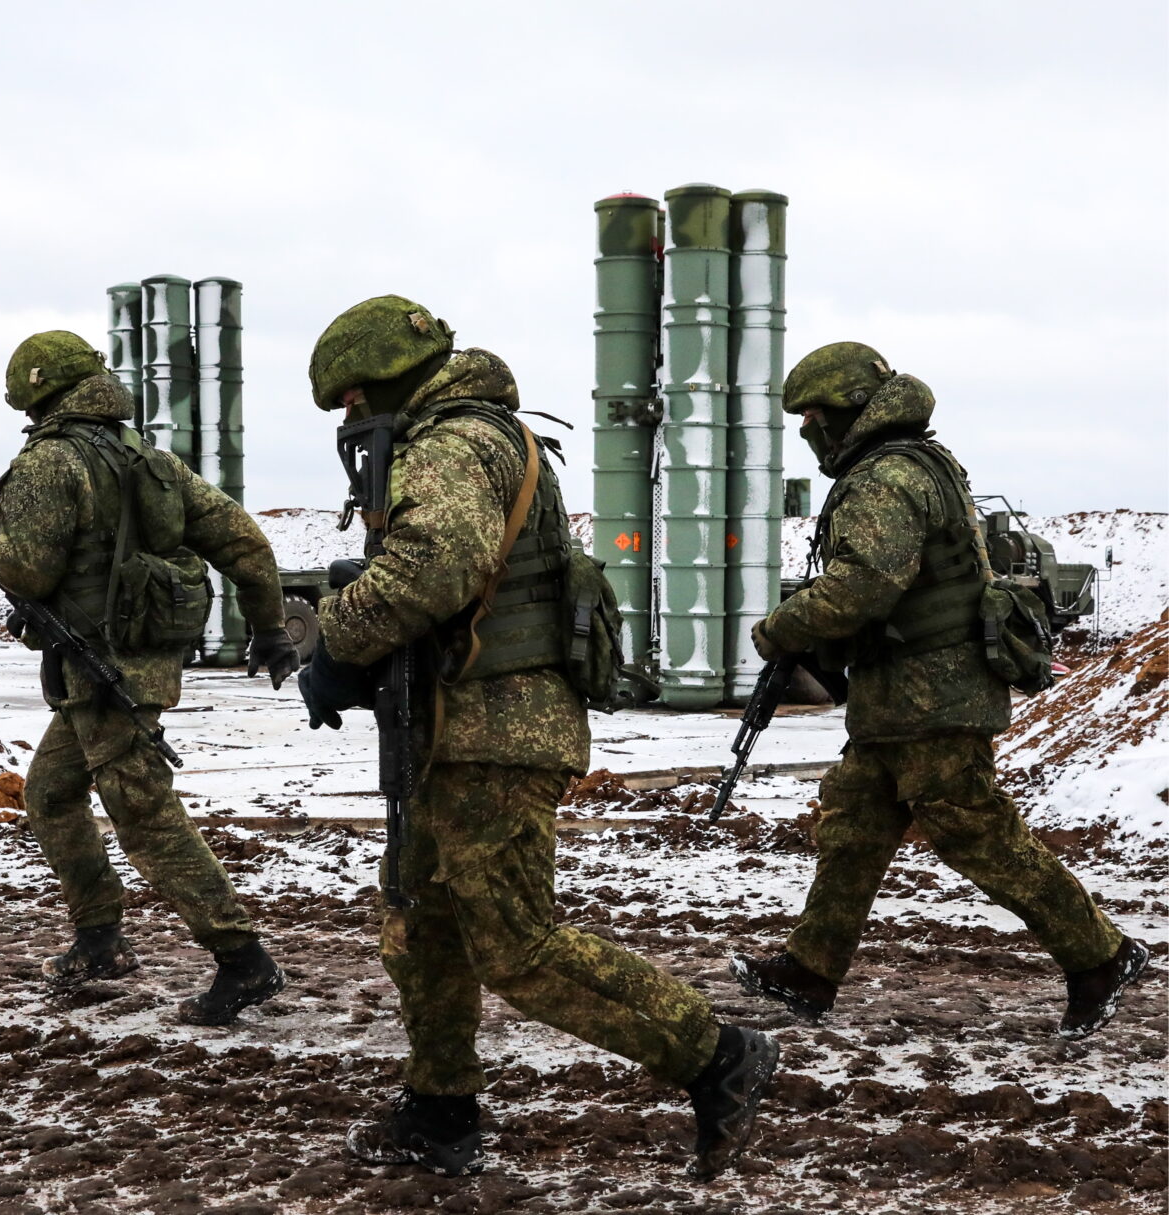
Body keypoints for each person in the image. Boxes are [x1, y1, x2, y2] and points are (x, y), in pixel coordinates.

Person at [297, 296, 776, 1180]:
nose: (354, 422)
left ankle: (716, 1055)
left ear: (388, 384)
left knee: (517, 944)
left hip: (497, 733)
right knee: (421, 923)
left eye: (356, 401)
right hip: (459, 729)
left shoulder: (450, 442)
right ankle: (442, 1108)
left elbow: (432, 567)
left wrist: (337, 636)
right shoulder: (474, 436)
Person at [732, 341, 1150, 1036]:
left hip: (934, 698)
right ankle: (810, 969)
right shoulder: (915, 464)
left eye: (812, 414)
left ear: (846, 412)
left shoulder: (886, 477)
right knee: (855, 825)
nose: (805, 428)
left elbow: (861, 585)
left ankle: (1101, 955)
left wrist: (782, 626)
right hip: (902, 699)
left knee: (976, 832)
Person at [0, 330, 300, 1026]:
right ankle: (98, 938)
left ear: (37, 393)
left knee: (146, 817)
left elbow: (25, 569)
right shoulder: (147, 459)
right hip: (130, 665)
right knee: (51, 793)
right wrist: (269, 626)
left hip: (103, 671)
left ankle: (242, 959)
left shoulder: (50, 462)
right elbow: (244, 539)